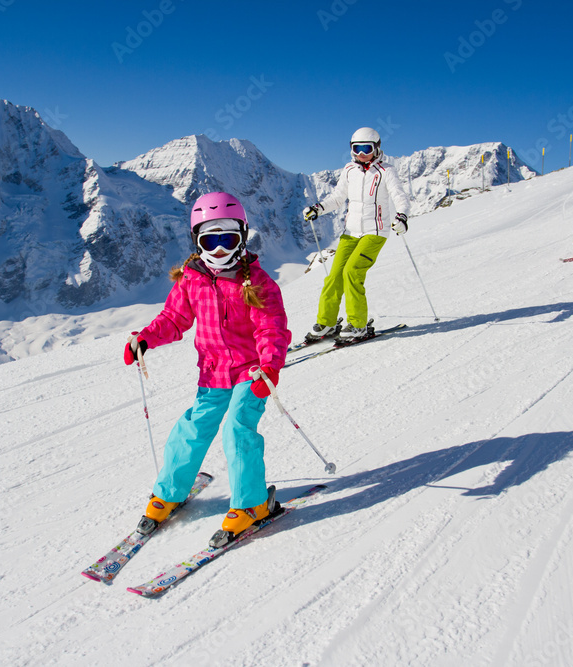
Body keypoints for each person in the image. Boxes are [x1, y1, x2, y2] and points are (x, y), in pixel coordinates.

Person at [123, 192, 291, 547]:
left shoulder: (258, 282)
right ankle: (168, 493)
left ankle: (252, 505)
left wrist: (269, 367)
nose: (218, 249)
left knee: (237, 428)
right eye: (208, 240)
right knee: (192, 428)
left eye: (227, 239)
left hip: (252, 373)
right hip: (213, 372)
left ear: (242, 237)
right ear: (196, 241)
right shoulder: (192, 279)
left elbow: (271, 327)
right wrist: (146, 339)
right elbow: (174, 318)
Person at [302, 127, 411, 343]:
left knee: (352, 272)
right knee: (334, 277)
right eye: (357, 148)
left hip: (375, 232)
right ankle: (327, 323)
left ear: (377, 148)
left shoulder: (386, 171)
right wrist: (318, 208)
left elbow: (400, 196)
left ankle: (358, 325)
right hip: (351, 232)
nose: (361, 153)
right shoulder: (349, 170)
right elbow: (337, 197)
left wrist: (403, 217)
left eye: (366, 148)